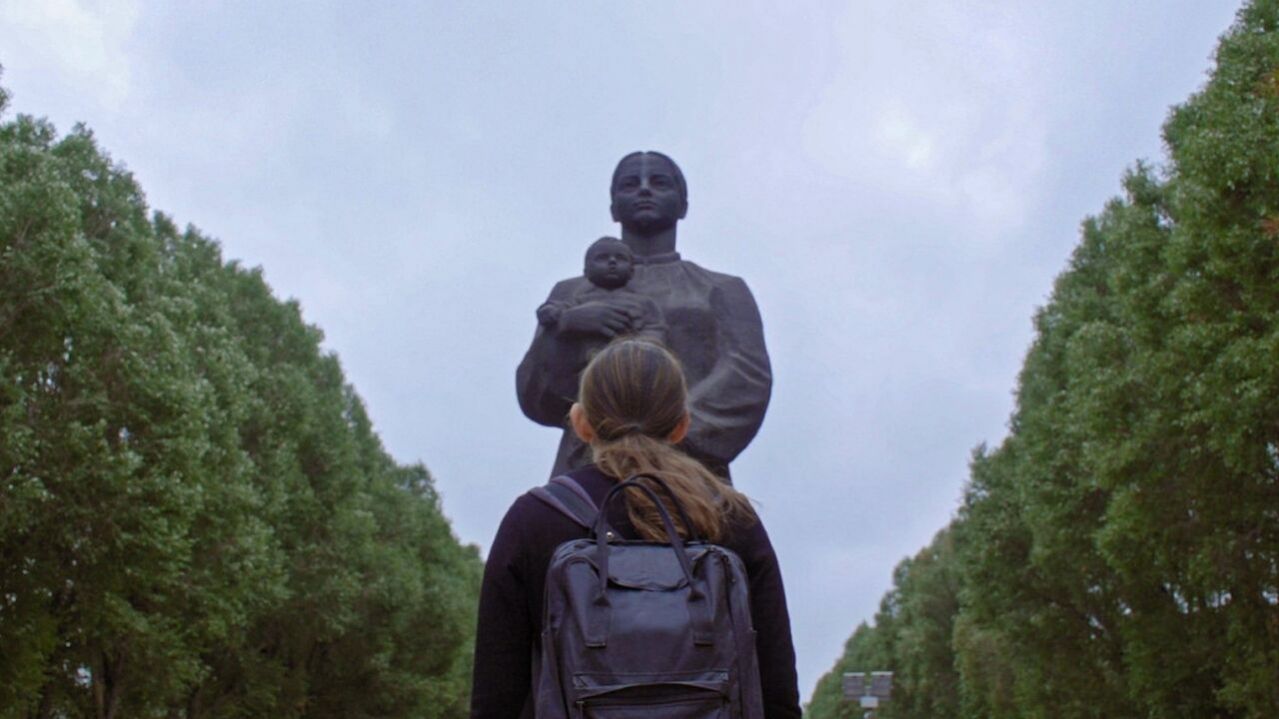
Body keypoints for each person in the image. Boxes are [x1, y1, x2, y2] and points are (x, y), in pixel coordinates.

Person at [473, 337, 800, 719]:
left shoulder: (534, 520)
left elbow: (496, 697)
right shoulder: (729, 518)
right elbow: (777, 692)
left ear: (581, 423)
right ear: (681, 425)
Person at [516, 151, 771, 480]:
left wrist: (657, 434)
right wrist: (564, 331)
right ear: (613, 207)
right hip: (588, 470)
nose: (645, 189)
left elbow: (746, 378)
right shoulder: (570, 294)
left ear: (683, 205)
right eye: (630, 184)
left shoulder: (720, 289)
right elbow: (536, 398)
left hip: (687, 475)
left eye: (659, 182)